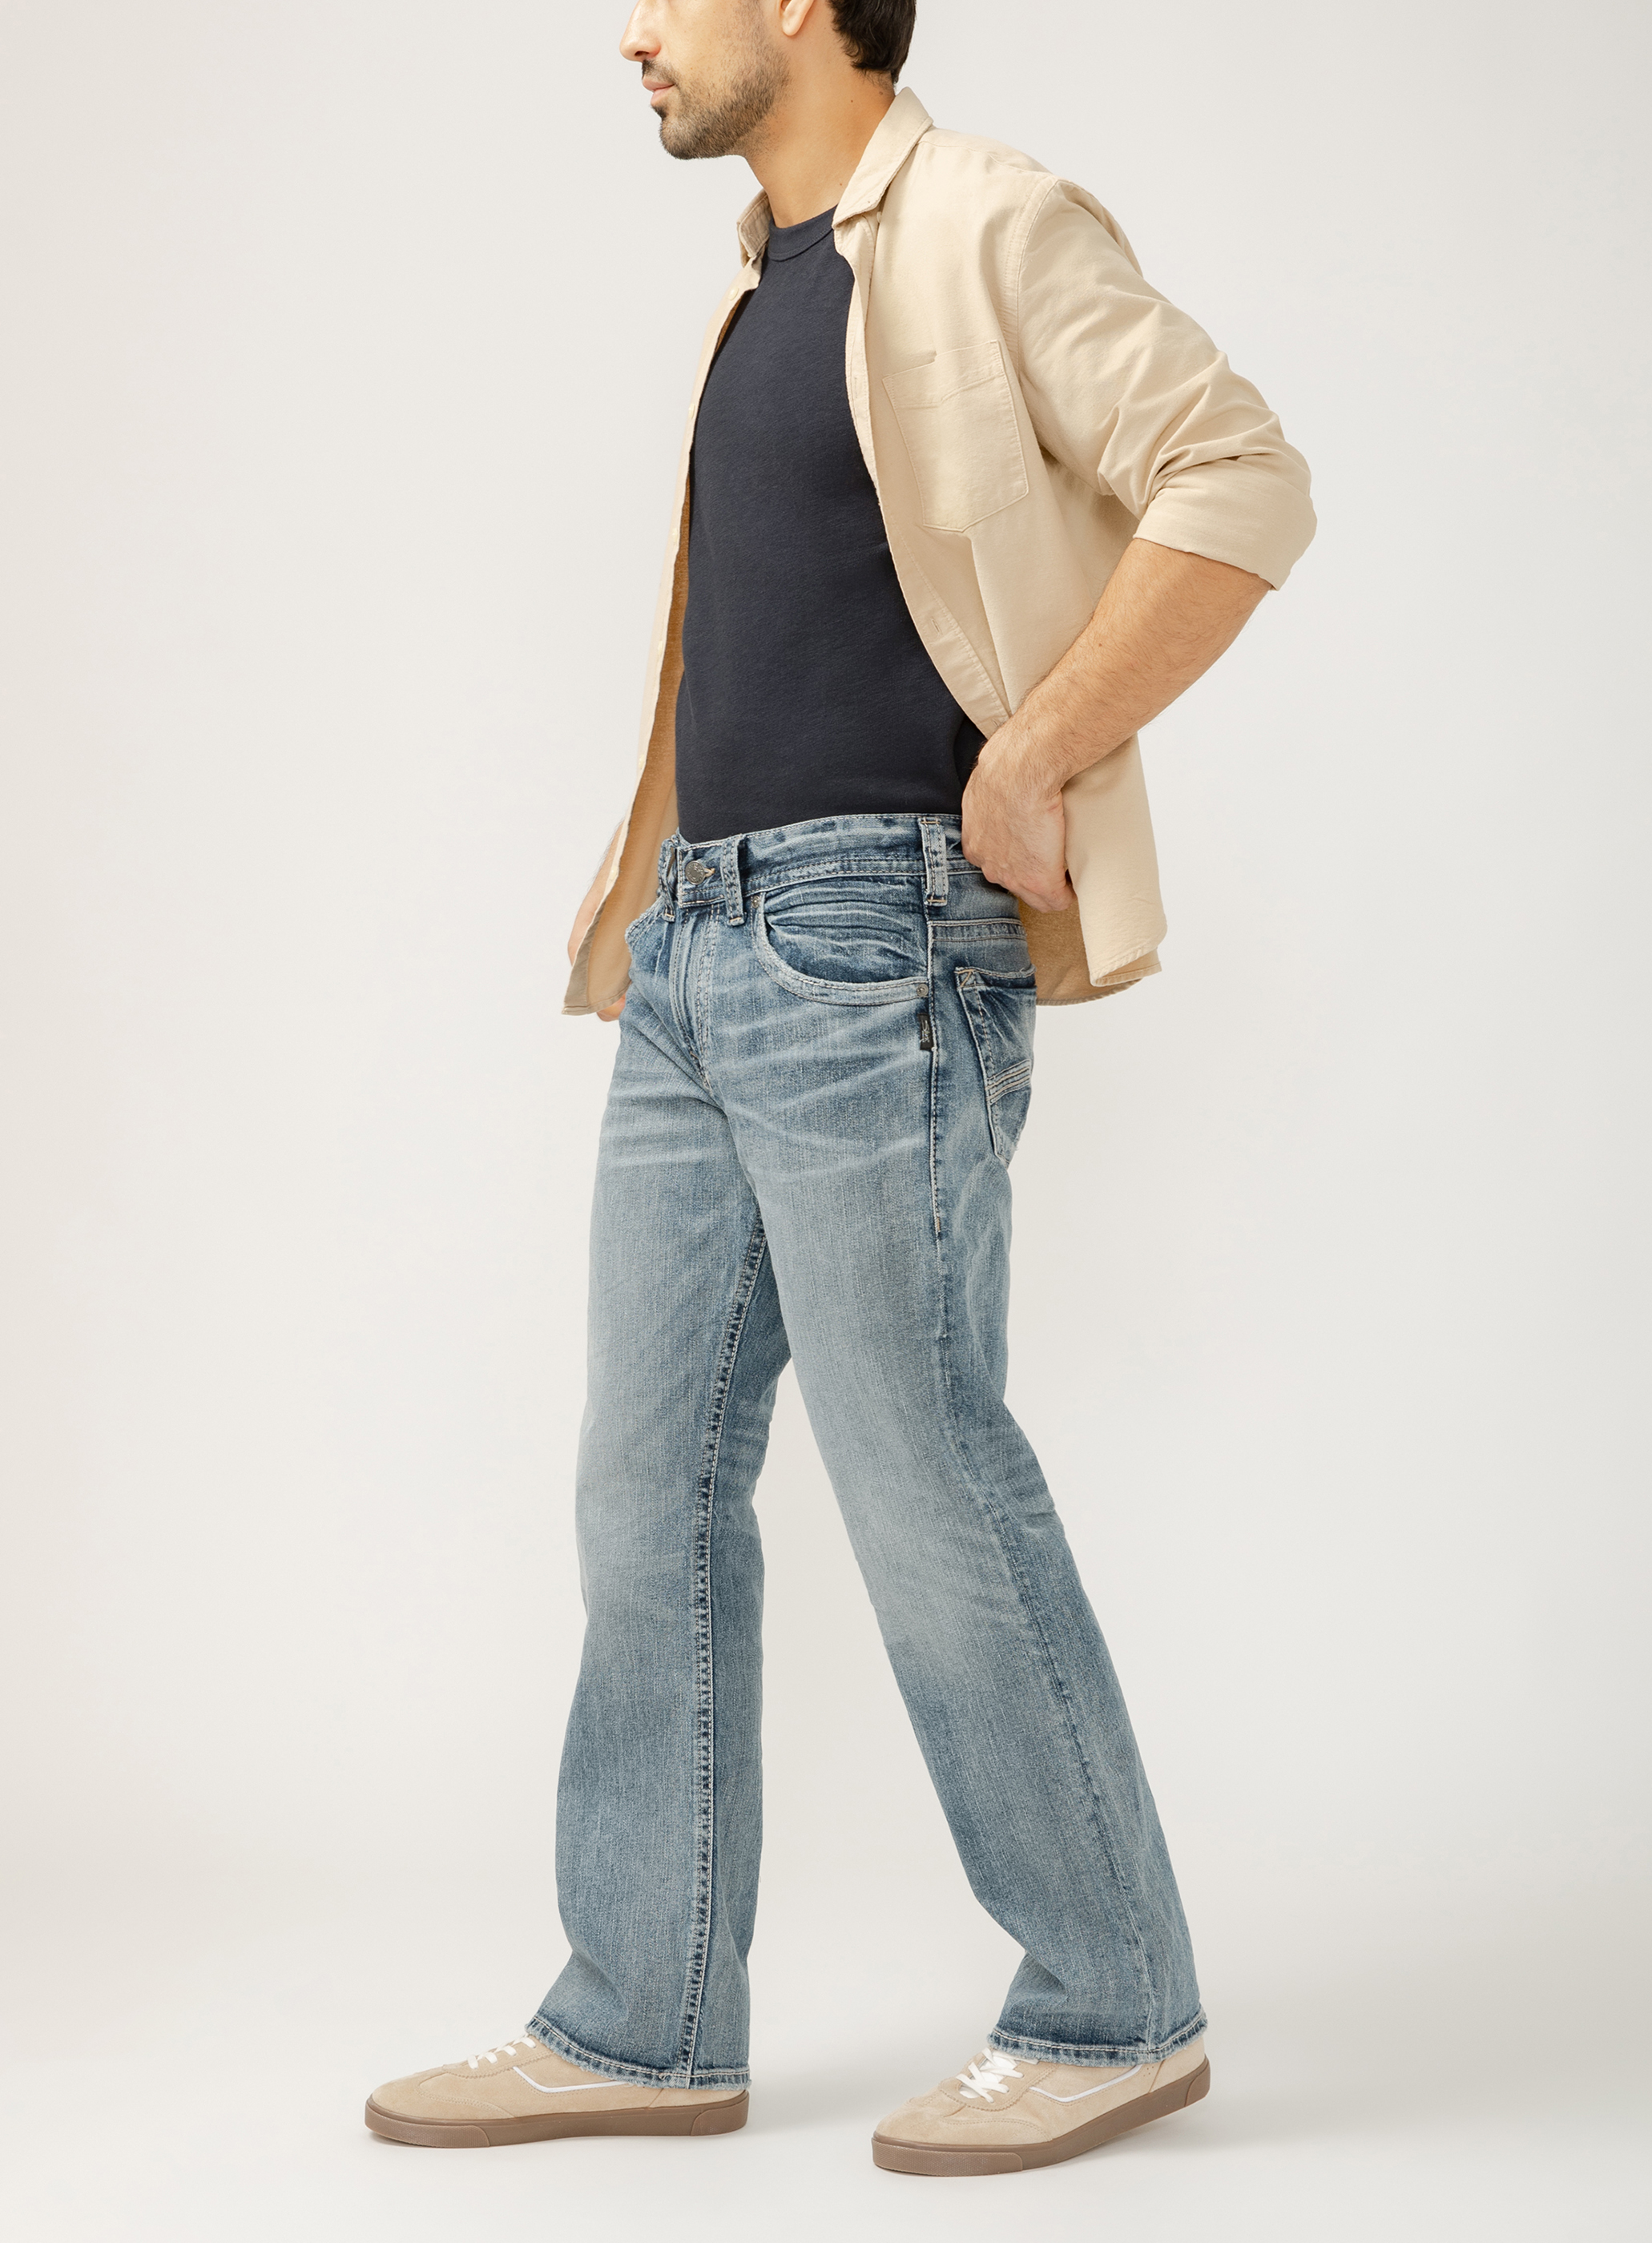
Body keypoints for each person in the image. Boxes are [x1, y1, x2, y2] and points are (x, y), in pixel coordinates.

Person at [365, 0, 1313, 2177]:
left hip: (874, 939)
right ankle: (640, 2022)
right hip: (700, 944)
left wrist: (1036, 750)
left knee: (923, 1474)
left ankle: (1111, 2002)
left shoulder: (984, 218)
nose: (631, 34)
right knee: (642, 1490)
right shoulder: (768, 285)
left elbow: (1242, 476)